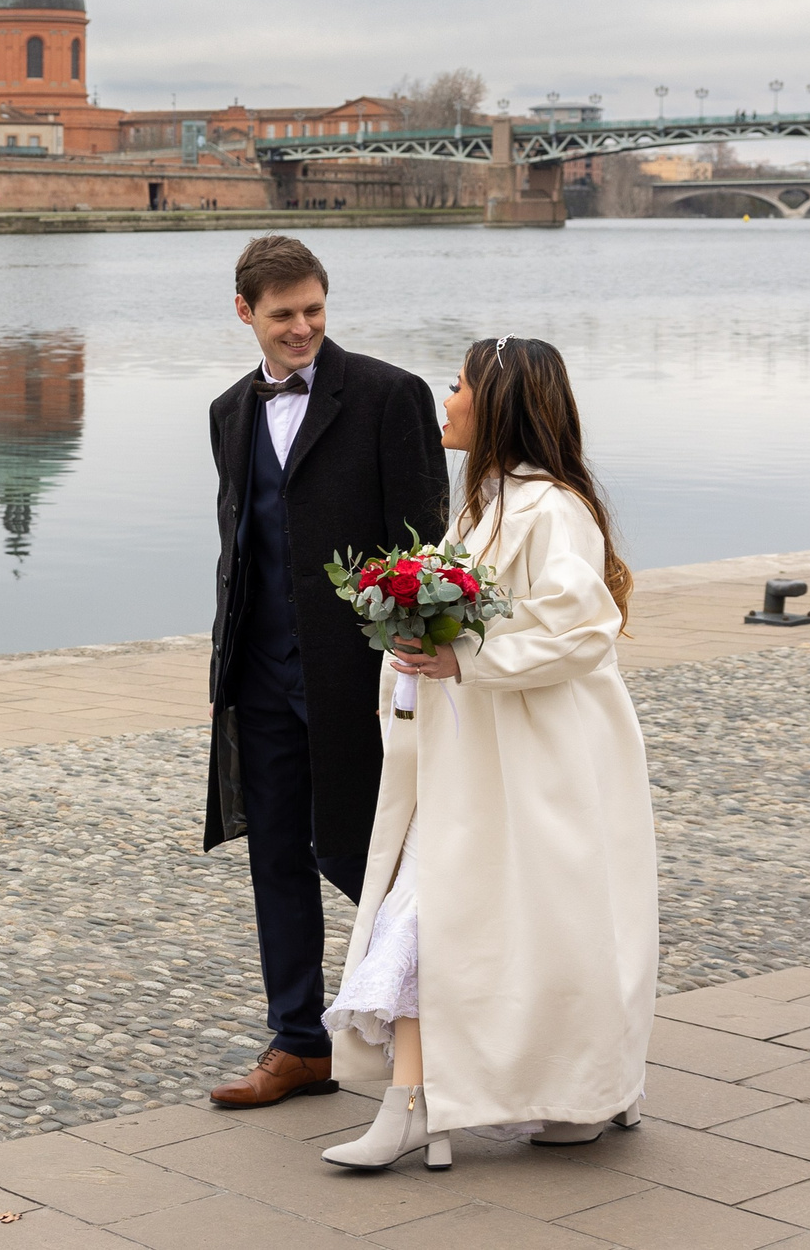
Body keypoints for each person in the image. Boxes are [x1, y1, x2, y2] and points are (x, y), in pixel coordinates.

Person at [319, 336, 657, 1172]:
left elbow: (584, 632)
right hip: (479, 751)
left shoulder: (550, 509)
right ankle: (424, 1098)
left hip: (542, 757)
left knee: (542, 921)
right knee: (452, 911)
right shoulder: (484, 506)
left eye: (462, 383)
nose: (450, 394)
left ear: (497, 402)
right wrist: (413, 648)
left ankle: (563, 1089)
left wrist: (465, 658)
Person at [205, 236, 450, 1107]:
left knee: (362, 852)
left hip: (361, 676)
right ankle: (298, 1041)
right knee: (275, 853)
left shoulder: (390, 396)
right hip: (259, 674)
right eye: (284, 314)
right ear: (247, 314)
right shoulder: (229, 411)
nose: (303, 326)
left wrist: (419, 658)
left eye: (314, 308)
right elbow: (244, 541)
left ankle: (458, 1017)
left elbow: (424, 545)